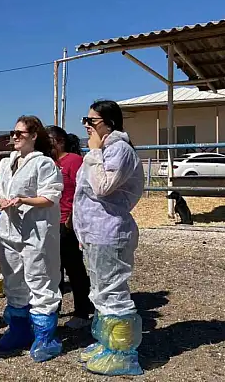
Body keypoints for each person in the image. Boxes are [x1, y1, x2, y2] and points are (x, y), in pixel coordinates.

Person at [72, 100, 145, 376]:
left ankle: (123, 354)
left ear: (109, 123)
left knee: (113, 293)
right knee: (100, 292)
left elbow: (103, 187)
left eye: (91, 121)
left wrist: (92, 155)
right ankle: (107, 343)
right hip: (94, 233)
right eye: (86, 121)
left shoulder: (119, 150)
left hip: (109, 232)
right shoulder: (103, 150)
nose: (87, 126)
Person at [0, 115, 64, 363]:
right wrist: (2, 201)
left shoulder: (43, 163)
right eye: (13, 133)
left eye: (20, 133)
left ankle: (44, 335)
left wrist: (23, 199)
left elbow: (51, 196)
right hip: (9, 229)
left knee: (39, 277)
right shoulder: (6, 163)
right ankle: (19, 329)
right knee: (13, 278)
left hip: (36, 231)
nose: (14, 137)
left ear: (33, 136)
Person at [45, 125, 94, 330]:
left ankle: (82, 311)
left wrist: (73, 217)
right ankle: (53, 309)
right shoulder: (50, 163)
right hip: (51, 223)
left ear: (59, 141)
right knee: (53, 270)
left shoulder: (74, 161)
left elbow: (82, 192)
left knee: (74, 269)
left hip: (67, 222)